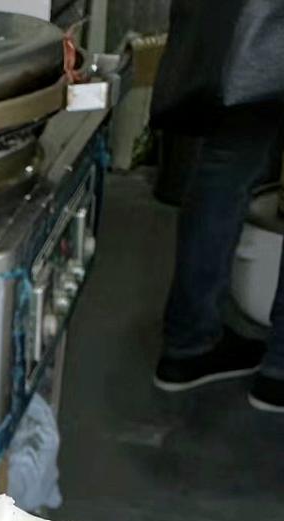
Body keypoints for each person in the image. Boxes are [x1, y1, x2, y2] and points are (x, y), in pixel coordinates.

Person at [152, 2, 284, 410]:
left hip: (244, 31)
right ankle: (279, 373)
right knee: (227, 167)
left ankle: (189, 343)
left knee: (225, 168)